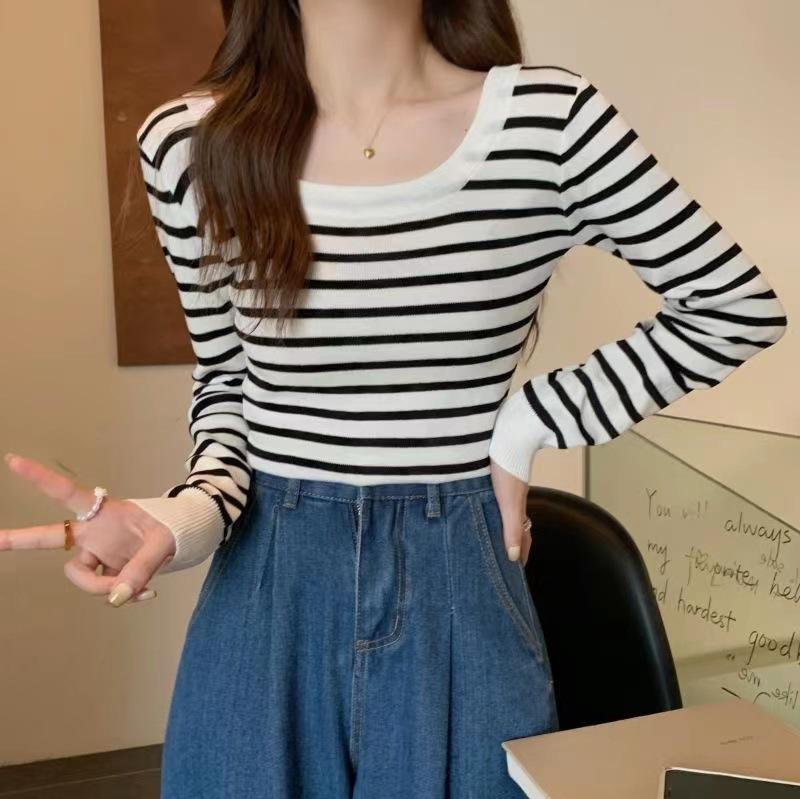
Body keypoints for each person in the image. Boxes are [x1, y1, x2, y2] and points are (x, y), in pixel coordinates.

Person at [2, 0, 788, 796]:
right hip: (265, 590)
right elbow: (229, 382)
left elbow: (733, 307)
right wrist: (187, 518)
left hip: (462, 586)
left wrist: (529, 420)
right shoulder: (186, 145)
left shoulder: (548, 123)